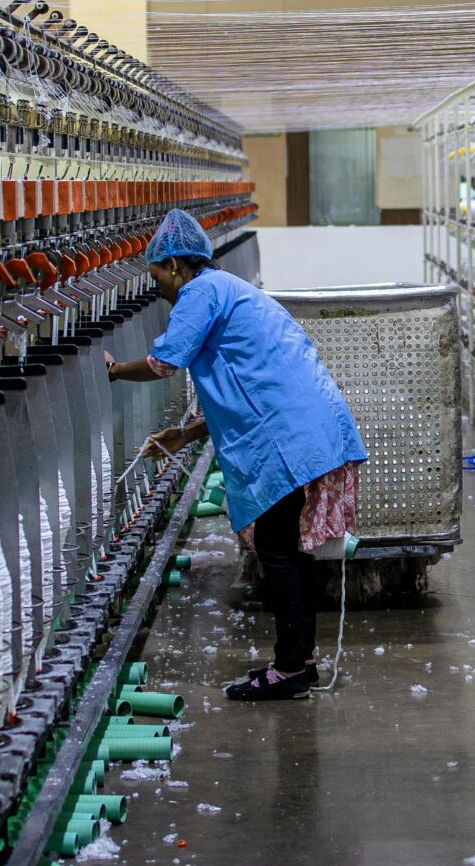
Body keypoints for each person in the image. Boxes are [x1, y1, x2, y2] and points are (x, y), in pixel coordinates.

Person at [106, 209, 367, 700]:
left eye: (157, 273)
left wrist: (115, 371)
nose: (157, 285)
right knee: (287, 548)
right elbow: (245, 381)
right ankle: (298, 662)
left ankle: (291, 669)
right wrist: (187, 433)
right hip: (302, 424)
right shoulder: (226, 289)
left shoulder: (199, 293)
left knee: (277, 549)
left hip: (289, 435)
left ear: (176, 265)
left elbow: (164, 363)